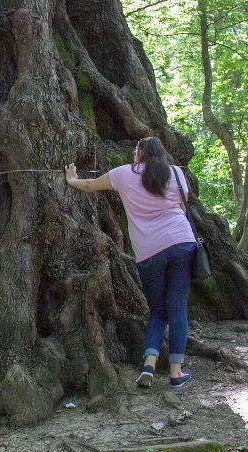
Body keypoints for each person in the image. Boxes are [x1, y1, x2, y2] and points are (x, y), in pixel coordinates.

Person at [64, 137, 196, 388]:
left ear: (139, 153)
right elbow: (182, 206)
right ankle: (176, 373)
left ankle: (149, 366)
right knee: (177, 307)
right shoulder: (176, 173)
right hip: (181, 242)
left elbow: (90, 185)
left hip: (149, 250)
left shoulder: (124, 173)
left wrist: (72, 179)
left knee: (158, 312)